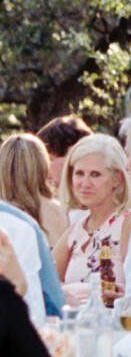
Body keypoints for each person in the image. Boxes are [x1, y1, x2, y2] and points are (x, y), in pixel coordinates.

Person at [54, 133, 131, 299]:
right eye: (79, 173)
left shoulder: (130, 224)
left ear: (117, 179)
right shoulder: (76, 229)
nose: (85, 183)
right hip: (75, 323)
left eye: (95, 174)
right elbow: (47, 283)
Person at [0, 134, 65, 318]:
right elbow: (54, 289)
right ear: (43, 166)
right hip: (43, 309)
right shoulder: (56, 212)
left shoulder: (8, 218)